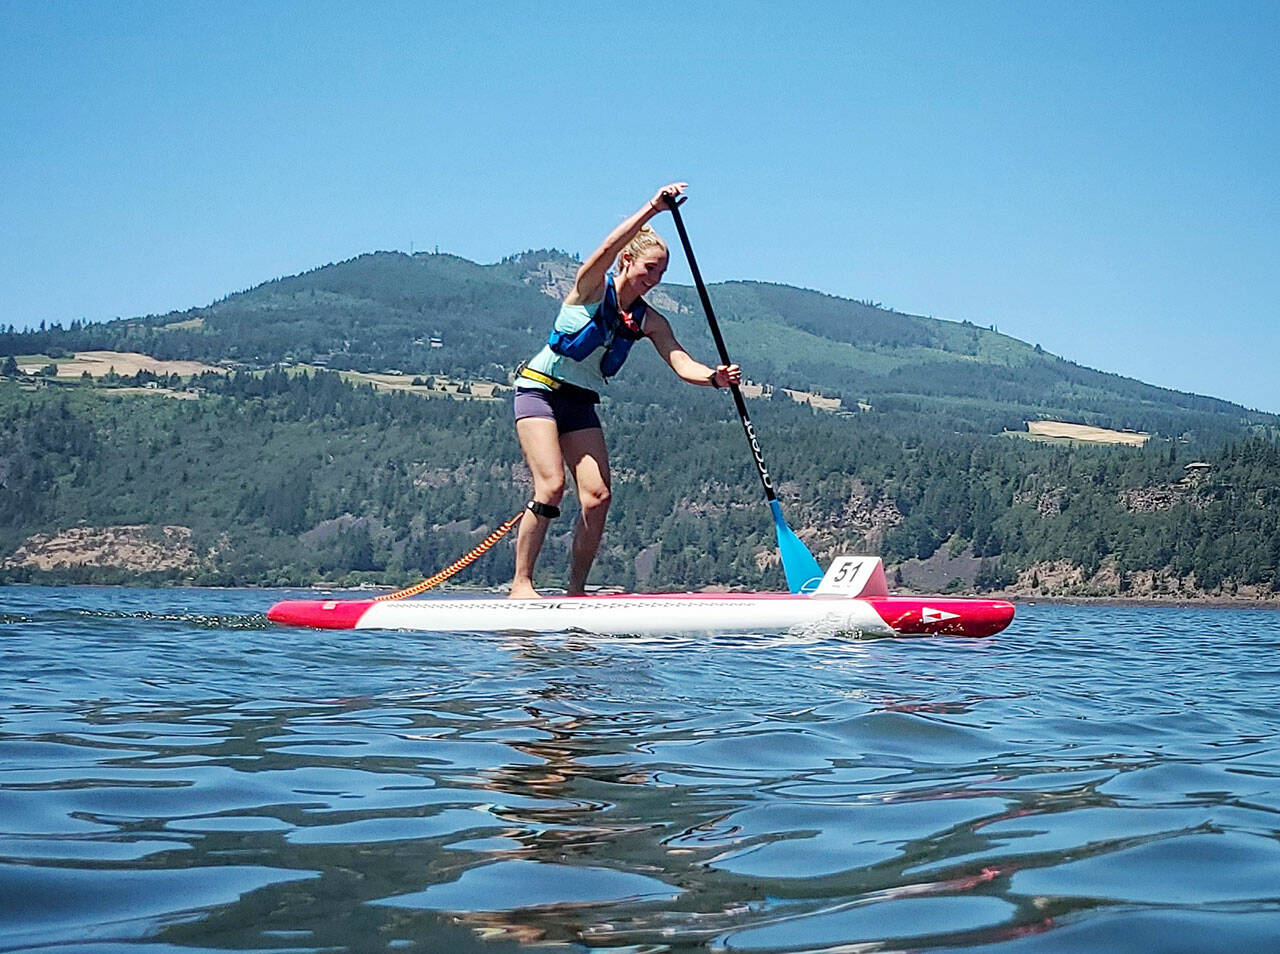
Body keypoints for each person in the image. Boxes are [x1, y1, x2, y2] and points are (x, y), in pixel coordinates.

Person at [510, 182, 741, 598]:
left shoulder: (649, 320)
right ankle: (521, 584)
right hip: (540, 391)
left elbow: (680, 361)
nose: (655, 279)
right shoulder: (590, 288)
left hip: (580, 401)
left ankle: (576, 591)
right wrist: (653, 208)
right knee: (551, 487)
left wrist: (714, 377)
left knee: (598, 497)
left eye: (662, 273)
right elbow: (606, 246)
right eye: (650, 268)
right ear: (627, 261)